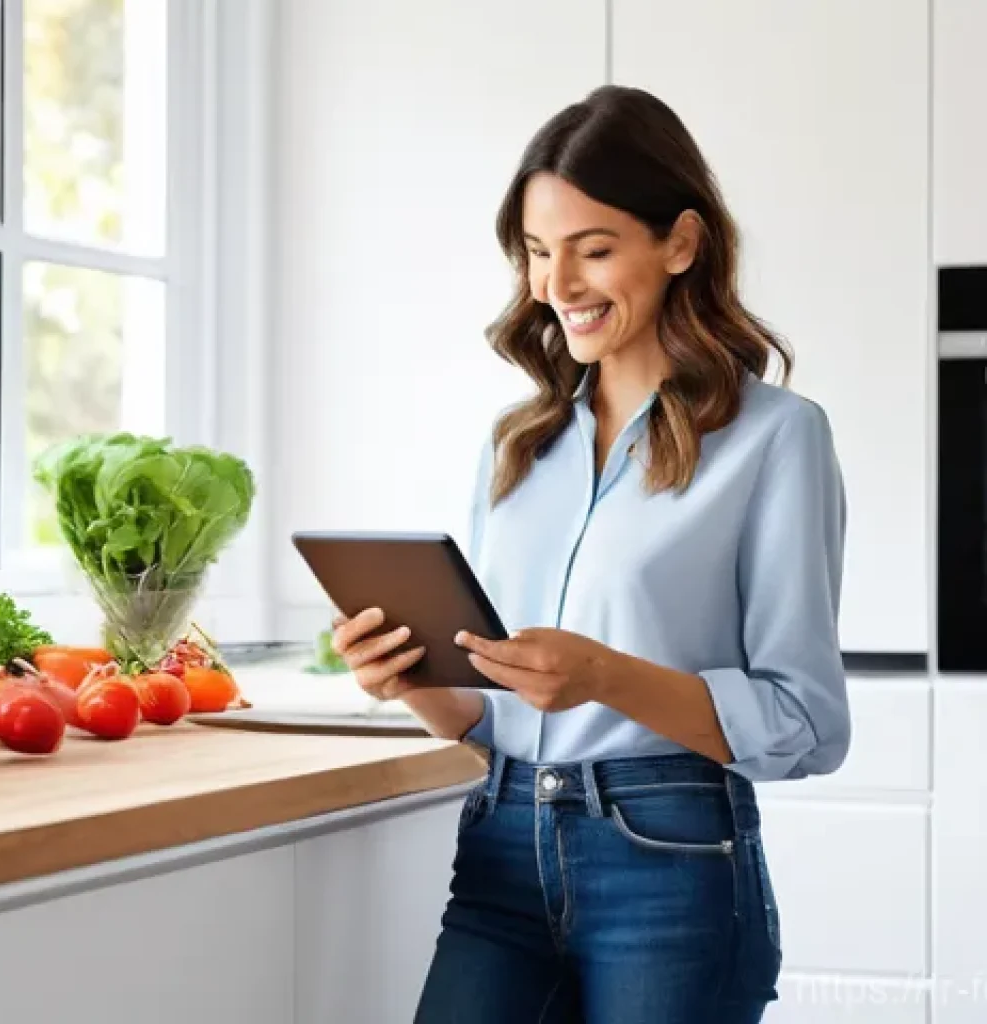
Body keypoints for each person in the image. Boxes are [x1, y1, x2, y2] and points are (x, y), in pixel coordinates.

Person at [331, 84, 850, 1024]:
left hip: (670, 863)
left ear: (680, 244)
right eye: (536, 253)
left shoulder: (777, 439)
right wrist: (406, 678)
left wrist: (604, 675)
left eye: (594, 250)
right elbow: (485, 713)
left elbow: (805, 722)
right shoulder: (515, 444)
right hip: (500, 846)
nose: (555, 286)